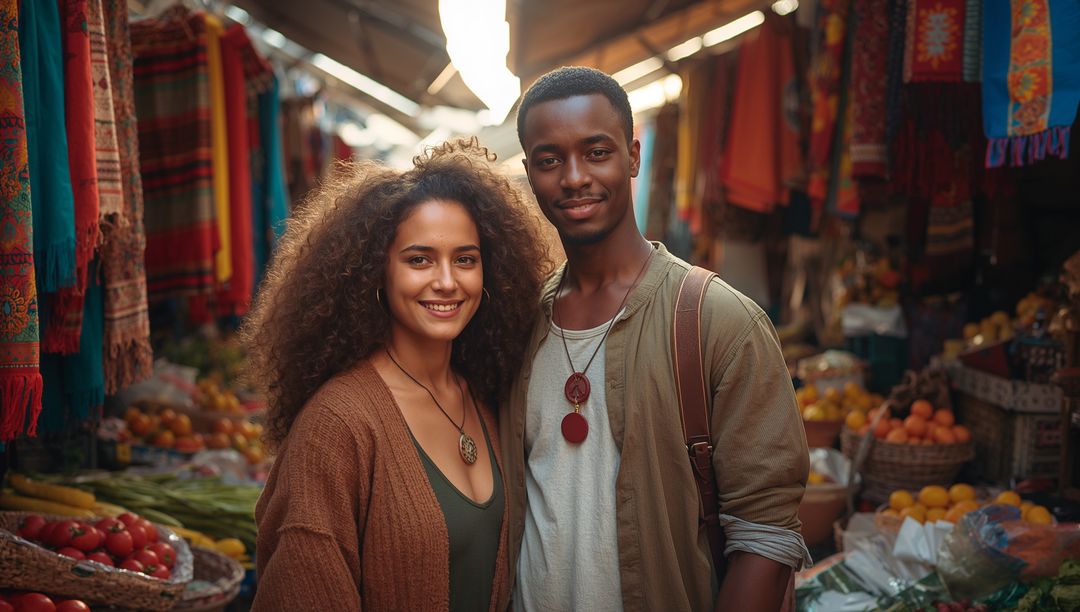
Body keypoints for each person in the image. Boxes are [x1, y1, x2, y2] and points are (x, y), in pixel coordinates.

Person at [502, 66, 811, 612]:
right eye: (550, 160)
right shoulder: (519, 323)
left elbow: (765, 534)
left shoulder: (719, 321)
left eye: (597, 152)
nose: (573, 177)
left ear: (634, 157)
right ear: (530, 172)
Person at [244, 140, 550, 611]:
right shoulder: (337, 424)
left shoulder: (488, 397)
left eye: (465, 259)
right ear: (374, 272)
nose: (447, 281)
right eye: (419, 259)